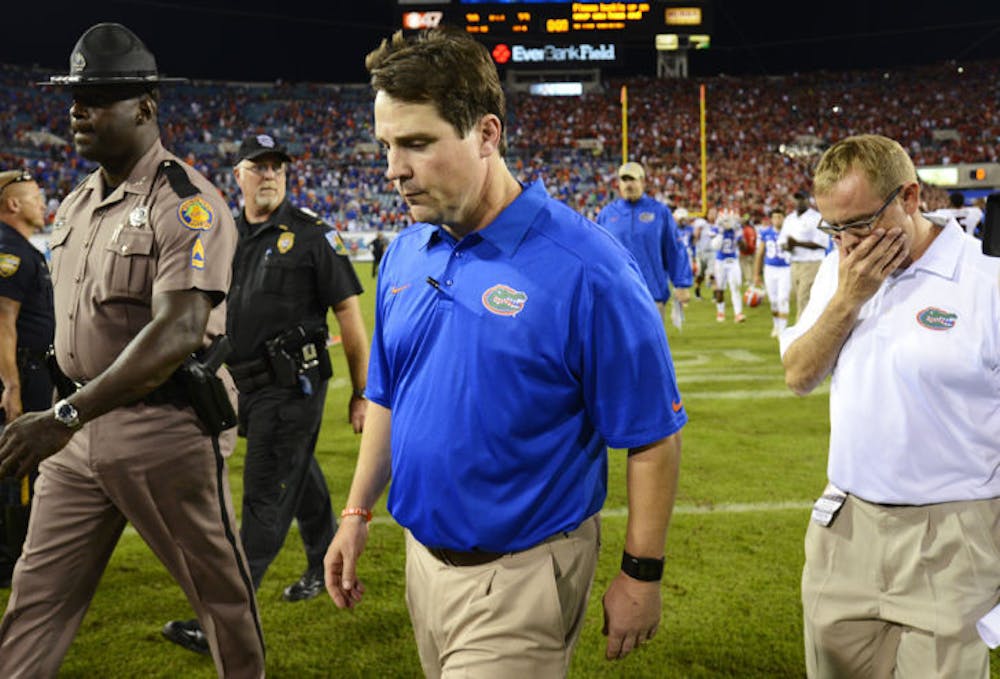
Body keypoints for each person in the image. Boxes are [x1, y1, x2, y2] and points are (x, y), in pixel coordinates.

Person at [324, 28, 685, 677]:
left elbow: (653, 434)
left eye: (416, 142)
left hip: (522, 575)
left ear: (487, 134)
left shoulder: (589, 269)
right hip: (421, 562)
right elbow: (387, 391)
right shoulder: (408, 249)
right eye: (386, 145)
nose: (392, 169)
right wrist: (355, 510)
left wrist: (641, 572)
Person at [0, 23, 264, 677]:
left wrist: (62, 416)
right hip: (77, 433)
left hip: (162, 429)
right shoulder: (77, 202)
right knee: (35, 597)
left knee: (218, 597)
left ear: (145, 106)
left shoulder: (188, 203)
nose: (77, 110)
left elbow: (177, 332)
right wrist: (66, 414)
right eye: (74, 96)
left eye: (99, 96)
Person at [780, 134, 1000, 678]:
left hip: (953, 535)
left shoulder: (986, 281)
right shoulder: (841, 273)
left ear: (909, 198)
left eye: (859, 225)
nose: (847, 244)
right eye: (835, 229)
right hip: (846, 526)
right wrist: (849, 298)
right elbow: (799, 375)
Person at [163, 134, 369, 654]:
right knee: (297, 476)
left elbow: (350, 317)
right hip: (243, 385)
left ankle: (221, 622)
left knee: (261, 499)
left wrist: (361, 392)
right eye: (259, 166)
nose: (270, 174)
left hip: (292, 387)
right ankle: (325, 564)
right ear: (239, 176)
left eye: (277, 166)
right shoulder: (227, 235)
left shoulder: (313, 236)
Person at [0, 169, 54, 587]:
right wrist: (13, 386)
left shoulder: (21, 248)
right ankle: (11, 560)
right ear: (12, 205)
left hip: (30, 367)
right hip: (23, 369)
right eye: (36, 197)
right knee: (19, 463)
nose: (44, 202)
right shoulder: (10, 252)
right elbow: (3, 321)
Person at [597, 161, 693, 318]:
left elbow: (674, 248)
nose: (628, 185)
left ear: (642, 181)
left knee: (650, 342)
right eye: (624, 180)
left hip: (651, 294)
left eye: (632, 180)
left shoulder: (660, 212)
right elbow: (597, 254)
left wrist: (681, 283)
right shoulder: (606, 214)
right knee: (616, 342)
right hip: (615, 295)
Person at [778, 190, 829, 321]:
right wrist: (788, 246)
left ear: (808, 200)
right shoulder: (789, 218)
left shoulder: (816, 217)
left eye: (802, 199)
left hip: (812, 263)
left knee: (804, 298)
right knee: (799, 298)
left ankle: (801, 331)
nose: (799, 202)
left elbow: (822, 243)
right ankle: (811, 325)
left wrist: (797, 244)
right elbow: (782, 242)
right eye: (797, 199)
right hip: (795, 263)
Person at [753, 208, 792, 338]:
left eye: (780, 217)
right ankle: (776, 324)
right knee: (773, 300)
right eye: (775, 217)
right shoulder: (765, 233)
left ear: (784, 218)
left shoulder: (789, 232)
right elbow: (760, 253)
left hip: (786, 268)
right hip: (770, 269)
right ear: (771, 219)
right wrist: (756, 274)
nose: (777, 220)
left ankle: (783, 330)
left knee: (783, 299)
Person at [709, 210, 745, 322]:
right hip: (720, 261)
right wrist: (720, 233)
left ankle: (738, 313)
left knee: (735, 286)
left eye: (730, 219)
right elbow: (714, 246)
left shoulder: (737, 229)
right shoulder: (716, 229)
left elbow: (743, 246)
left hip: (733, 260)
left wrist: (738, 234)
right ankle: (720, 311)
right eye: (726, 220)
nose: (728, 222)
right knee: (720, 289)